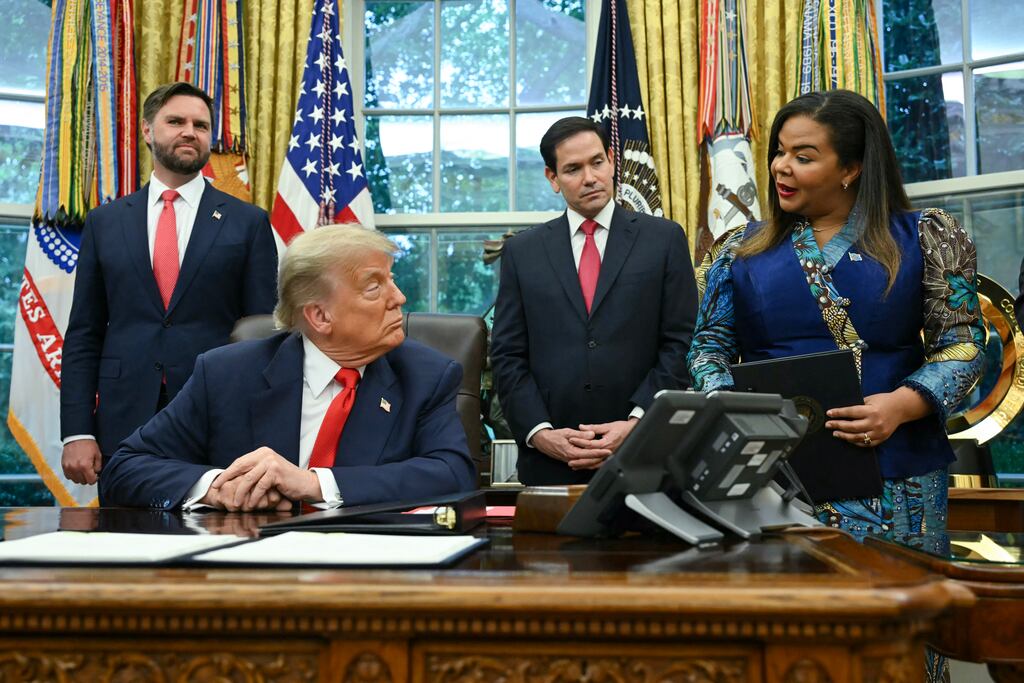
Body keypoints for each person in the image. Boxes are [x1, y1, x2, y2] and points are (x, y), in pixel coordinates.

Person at [687, 91, 984, 678]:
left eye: (803, 155)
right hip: (778, 477)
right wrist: (733, 408)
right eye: (778, 153)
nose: (780, 167)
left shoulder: (928, 235)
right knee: (786, 643)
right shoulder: (738, 250)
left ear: (851, 168)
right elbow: (707, 349)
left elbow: (965, 344)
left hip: (898, 472)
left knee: (899, 644)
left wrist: (902, 405)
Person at [99, 225, 476, 511]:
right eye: (374, 287)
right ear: (319, 316)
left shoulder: (425, 375)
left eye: (390, 279)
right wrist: (216, 486)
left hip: (368, 581)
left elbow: (453, 474)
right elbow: (125, 468)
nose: (399, 298)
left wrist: (313, 484)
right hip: (253, 579)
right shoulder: (227, 374)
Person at [60, 82, 278, 486]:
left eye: (201, 124)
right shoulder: (105, 222)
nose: (189, 132)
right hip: (122, 420)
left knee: (217, 537)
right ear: (148, 130)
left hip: (219, 418)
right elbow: (84, 334)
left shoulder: (248, 223)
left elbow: (262, 337)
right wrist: (77, 430)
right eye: (175, 121)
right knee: (123, 542)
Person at [491, 116, 698, 486]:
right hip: (551, 463)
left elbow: (680, 342)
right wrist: (540, 433)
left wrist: (638, 421)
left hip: (645, 457)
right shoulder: (523, 252)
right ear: (552, 179)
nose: (590, 177)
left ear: (612, 160)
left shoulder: (663, 240)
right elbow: (508, 356)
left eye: (597, 162)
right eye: (573, 169)